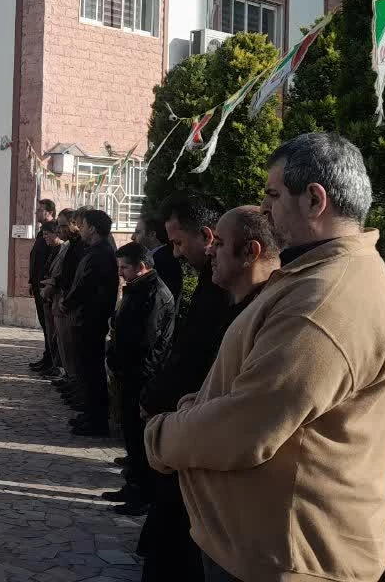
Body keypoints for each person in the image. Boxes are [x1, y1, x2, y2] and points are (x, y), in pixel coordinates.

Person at [146, 133, 385, 582]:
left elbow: (248, 425)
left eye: (274, 195)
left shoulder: (326, 299)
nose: (264, 209)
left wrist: (161, 435)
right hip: (261, 549)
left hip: (286, 559)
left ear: (314, 200)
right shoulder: (312, 275)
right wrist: (198, 405)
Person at [135, 193, 231, 582]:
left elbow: (199, 359)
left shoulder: (228, 294)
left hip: (195, 428)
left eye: (178, 243)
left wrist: (164, 404)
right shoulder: (210, 284)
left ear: (207, 237)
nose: (174, 254)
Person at [103, 242, 175, 515]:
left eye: (124, 267)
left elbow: (145, 340)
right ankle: (132, 485)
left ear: (141, 267)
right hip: (129, 371)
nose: (120, 273)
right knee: (130, 435)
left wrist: (122, 357)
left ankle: (143, 494)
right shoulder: (138, 288)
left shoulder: (154, 293)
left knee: (139, 437)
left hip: (142, 374)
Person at [63, 209, 120, 437]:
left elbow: (86, 285)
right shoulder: (95, 250)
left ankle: (97, 420)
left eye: (84, 225)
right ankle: (89, 414)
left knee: (92, 370)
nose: (80, 229)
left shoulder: (102, 253)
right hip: (86, 317)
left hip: (92, 319)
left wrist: (68, 303)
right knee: (86, 369)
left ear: (93, 229)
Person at [48, 209, 84, 397]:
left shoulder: (82, 247)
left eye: (63, 226)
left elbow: (76, 277)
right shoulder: (72, 245)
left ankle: (75, 381)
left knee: (71, 345)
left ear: (74, 224)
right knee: (64, 343)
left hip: (72, 302)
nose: (59, 230)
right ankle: (70, 378)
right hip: (64, 298)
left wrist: (63, 293)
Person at [28, 199, 59, 374]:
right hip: (38, 284)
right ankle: (47, 357)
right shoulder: (42, 232)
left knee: (50, 327)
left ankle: (52, 360)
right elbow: (36, 259)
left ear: (50, 212)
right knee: (45, 324)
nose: (37, 212)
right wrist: (31, 281)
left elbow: (49, 263)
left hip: (46, 287)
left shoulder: (53, 232)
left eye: (40, 210)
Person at [133, 212, 184, 311]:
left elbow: (158, 302)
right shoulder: (158, 257)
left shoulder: (163, 261)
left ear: (152, 235)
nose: (133, 237)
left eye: (138, 232)